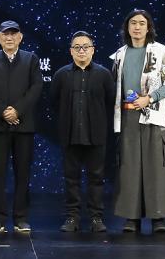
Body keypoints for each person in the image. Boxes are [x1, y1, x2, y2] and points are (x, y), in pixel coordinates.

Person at [111, 9, 165, 233]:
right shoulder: (119, 54)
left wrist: (149, 98)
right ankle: (131, 218)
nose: (137, 27)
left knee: (156, 168)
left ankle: (158, 218)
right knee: (129, 167)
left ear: (149, 27)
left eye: (142, 23)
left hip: (153, 116)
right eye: (133, 23)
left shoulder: (161, 51)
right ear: (127, 27)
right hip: (127, 117)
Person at [0, 20, 44, 233]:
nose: (9, 37)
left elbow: (36, 87)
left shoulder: (31, 59)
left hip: (24, 126)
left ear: (20, 37)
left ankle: (21, 218)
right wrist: (3, 112)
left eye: (13, 34)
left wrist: (17, 110)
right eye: (5, 34)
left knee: (23, 173)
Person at [51, 31, 115, 233]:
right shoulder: (61, 74)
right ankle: (72, 217)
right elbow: (53, 102)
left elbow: (111, 102)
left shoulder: (104, 74)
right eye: (77, 47)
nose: (81, 50)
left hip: (96, 135)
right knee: (71, 179)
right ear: (71, 51)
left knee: (96, 178)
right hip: (69, 134)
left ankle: (96, 217)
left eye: (85, 47)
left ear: (93, 50)